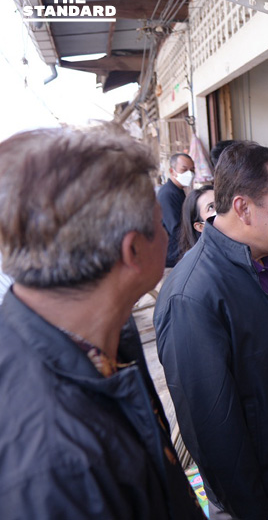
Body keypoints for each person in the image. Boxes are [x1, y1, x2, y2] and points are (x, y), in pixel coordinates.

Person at [0, 127, 206, 519]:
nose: (168, 234)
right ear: (132, 250)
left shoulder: (105, 340)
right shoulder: (56, 467)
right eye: (161, 224)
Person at [154, 141, 268, 520]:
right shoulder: (194, 293)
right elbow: (211, 426)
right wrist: (254, 510)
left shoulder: (265, 263)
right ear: (243, 208)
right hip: (260, 494)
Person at [157, 152, 195, 268]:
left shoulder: (178, 191)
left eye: (192, 170)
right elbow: (176, 229)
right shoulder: (168, 194)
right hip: (172, 260)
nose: (190, 174)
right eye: (184, 170)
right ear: (172, 171)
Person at [179, 184, 215, 255]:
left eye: (221, 202)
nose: (221, 209)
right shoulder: (201, 260)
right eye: (211, 207)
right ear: (200, 226)